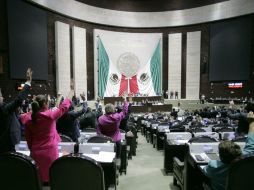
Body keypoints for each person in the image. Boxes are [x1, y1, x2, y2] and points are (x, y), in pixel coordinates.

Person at [20, 84, 74, 183]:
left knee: (38, 179)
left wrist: (32, 149)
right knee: (51, 178)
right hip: (50, 152)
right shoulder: (50, 115)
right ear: (45, 103)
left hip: (35, 151)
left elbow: (28, 138)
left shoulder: (28, 118)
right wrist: (71, 91)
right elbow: (64, 107)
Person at [202, 111, 254, 190]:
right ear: (239, 152)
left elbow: (205, 171)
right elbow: (251, 142)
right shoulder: (245, 160)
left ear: (221, 156)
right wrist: (252, 122)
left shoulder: (214, 166)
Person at [0, 68, 32, 153]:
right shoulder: (3, 108)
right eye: (1, 95)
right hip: (6, 145)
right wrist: (28, 82)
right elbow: (18, 100)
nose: (3, 97)